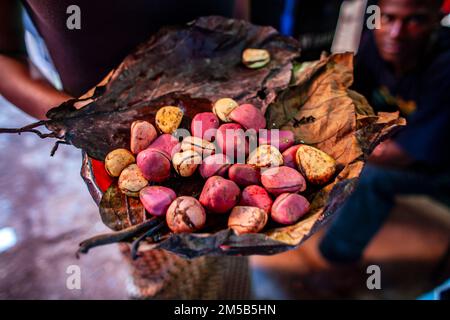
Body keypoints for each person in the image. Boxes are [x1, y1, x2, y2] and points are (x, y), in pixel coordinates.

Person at [0, 0, 251, 299]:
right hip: (117, 155)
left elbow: (238, 12)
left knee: (230, 265)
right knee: (167, 277)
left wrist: (244, 52)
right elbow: (5, 55)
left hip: (232, 121)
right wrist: (77, 117)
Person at [318, 0, 450, 263]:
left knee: (372, 177)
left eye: (415, 20)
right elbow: (348, 101)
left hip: (440, 164)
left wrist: (332, 147)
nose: (395, 33)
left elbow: (402, 155)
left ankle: (337, 261)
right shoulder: (375, 43)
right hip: (402, 139)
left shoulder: (445, 67)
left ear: (437, 19)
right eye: (387, 18)